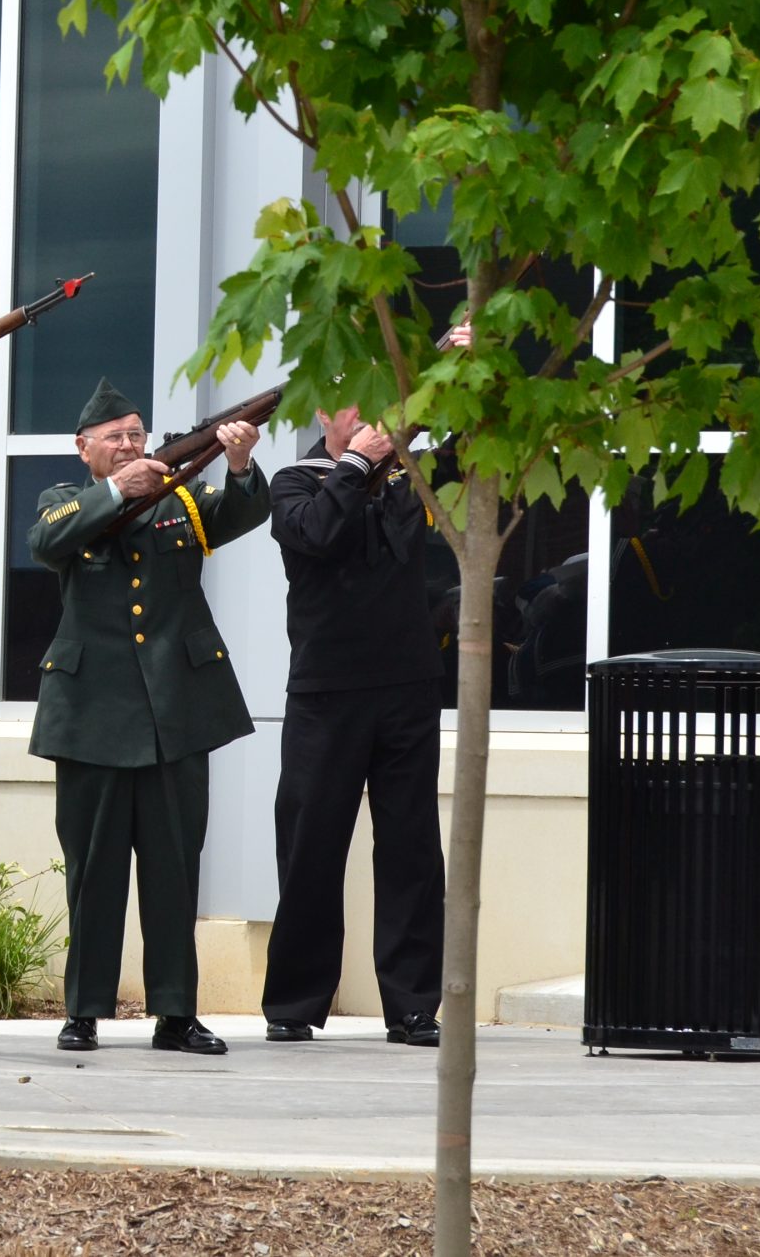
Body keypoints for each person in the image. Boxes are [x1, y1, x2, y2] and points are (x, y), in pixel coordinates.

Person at [28, 377, 265, 1056]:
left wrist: (240, 464)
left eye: (137, 433)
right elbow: (47, 540)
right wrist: (115, 492)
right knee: (92, 873)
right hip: (92, 717)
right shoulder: (64, 500)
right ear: (85, 449)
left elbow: (242, 513)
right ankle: (84, 1010)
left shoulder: (181, 498)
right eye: (115, 437)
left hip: (176, 712)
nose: (130, 444)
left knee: (174, 871)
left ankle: (176, 1012)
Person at [260, 400, 453, 1048]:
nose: (374, 421)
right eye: (358, 410)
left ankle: (413, 1006)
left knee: (412, 851)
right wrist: (355, 463)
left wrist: (459, 372)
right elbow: (316, 534)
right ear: (324, 414)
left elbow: (474, 455)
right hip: (327, 693)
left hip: (408, 687)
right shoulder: (296, 481)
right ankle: (294, 1002)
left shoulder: (412, 477)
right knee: (310, 846)